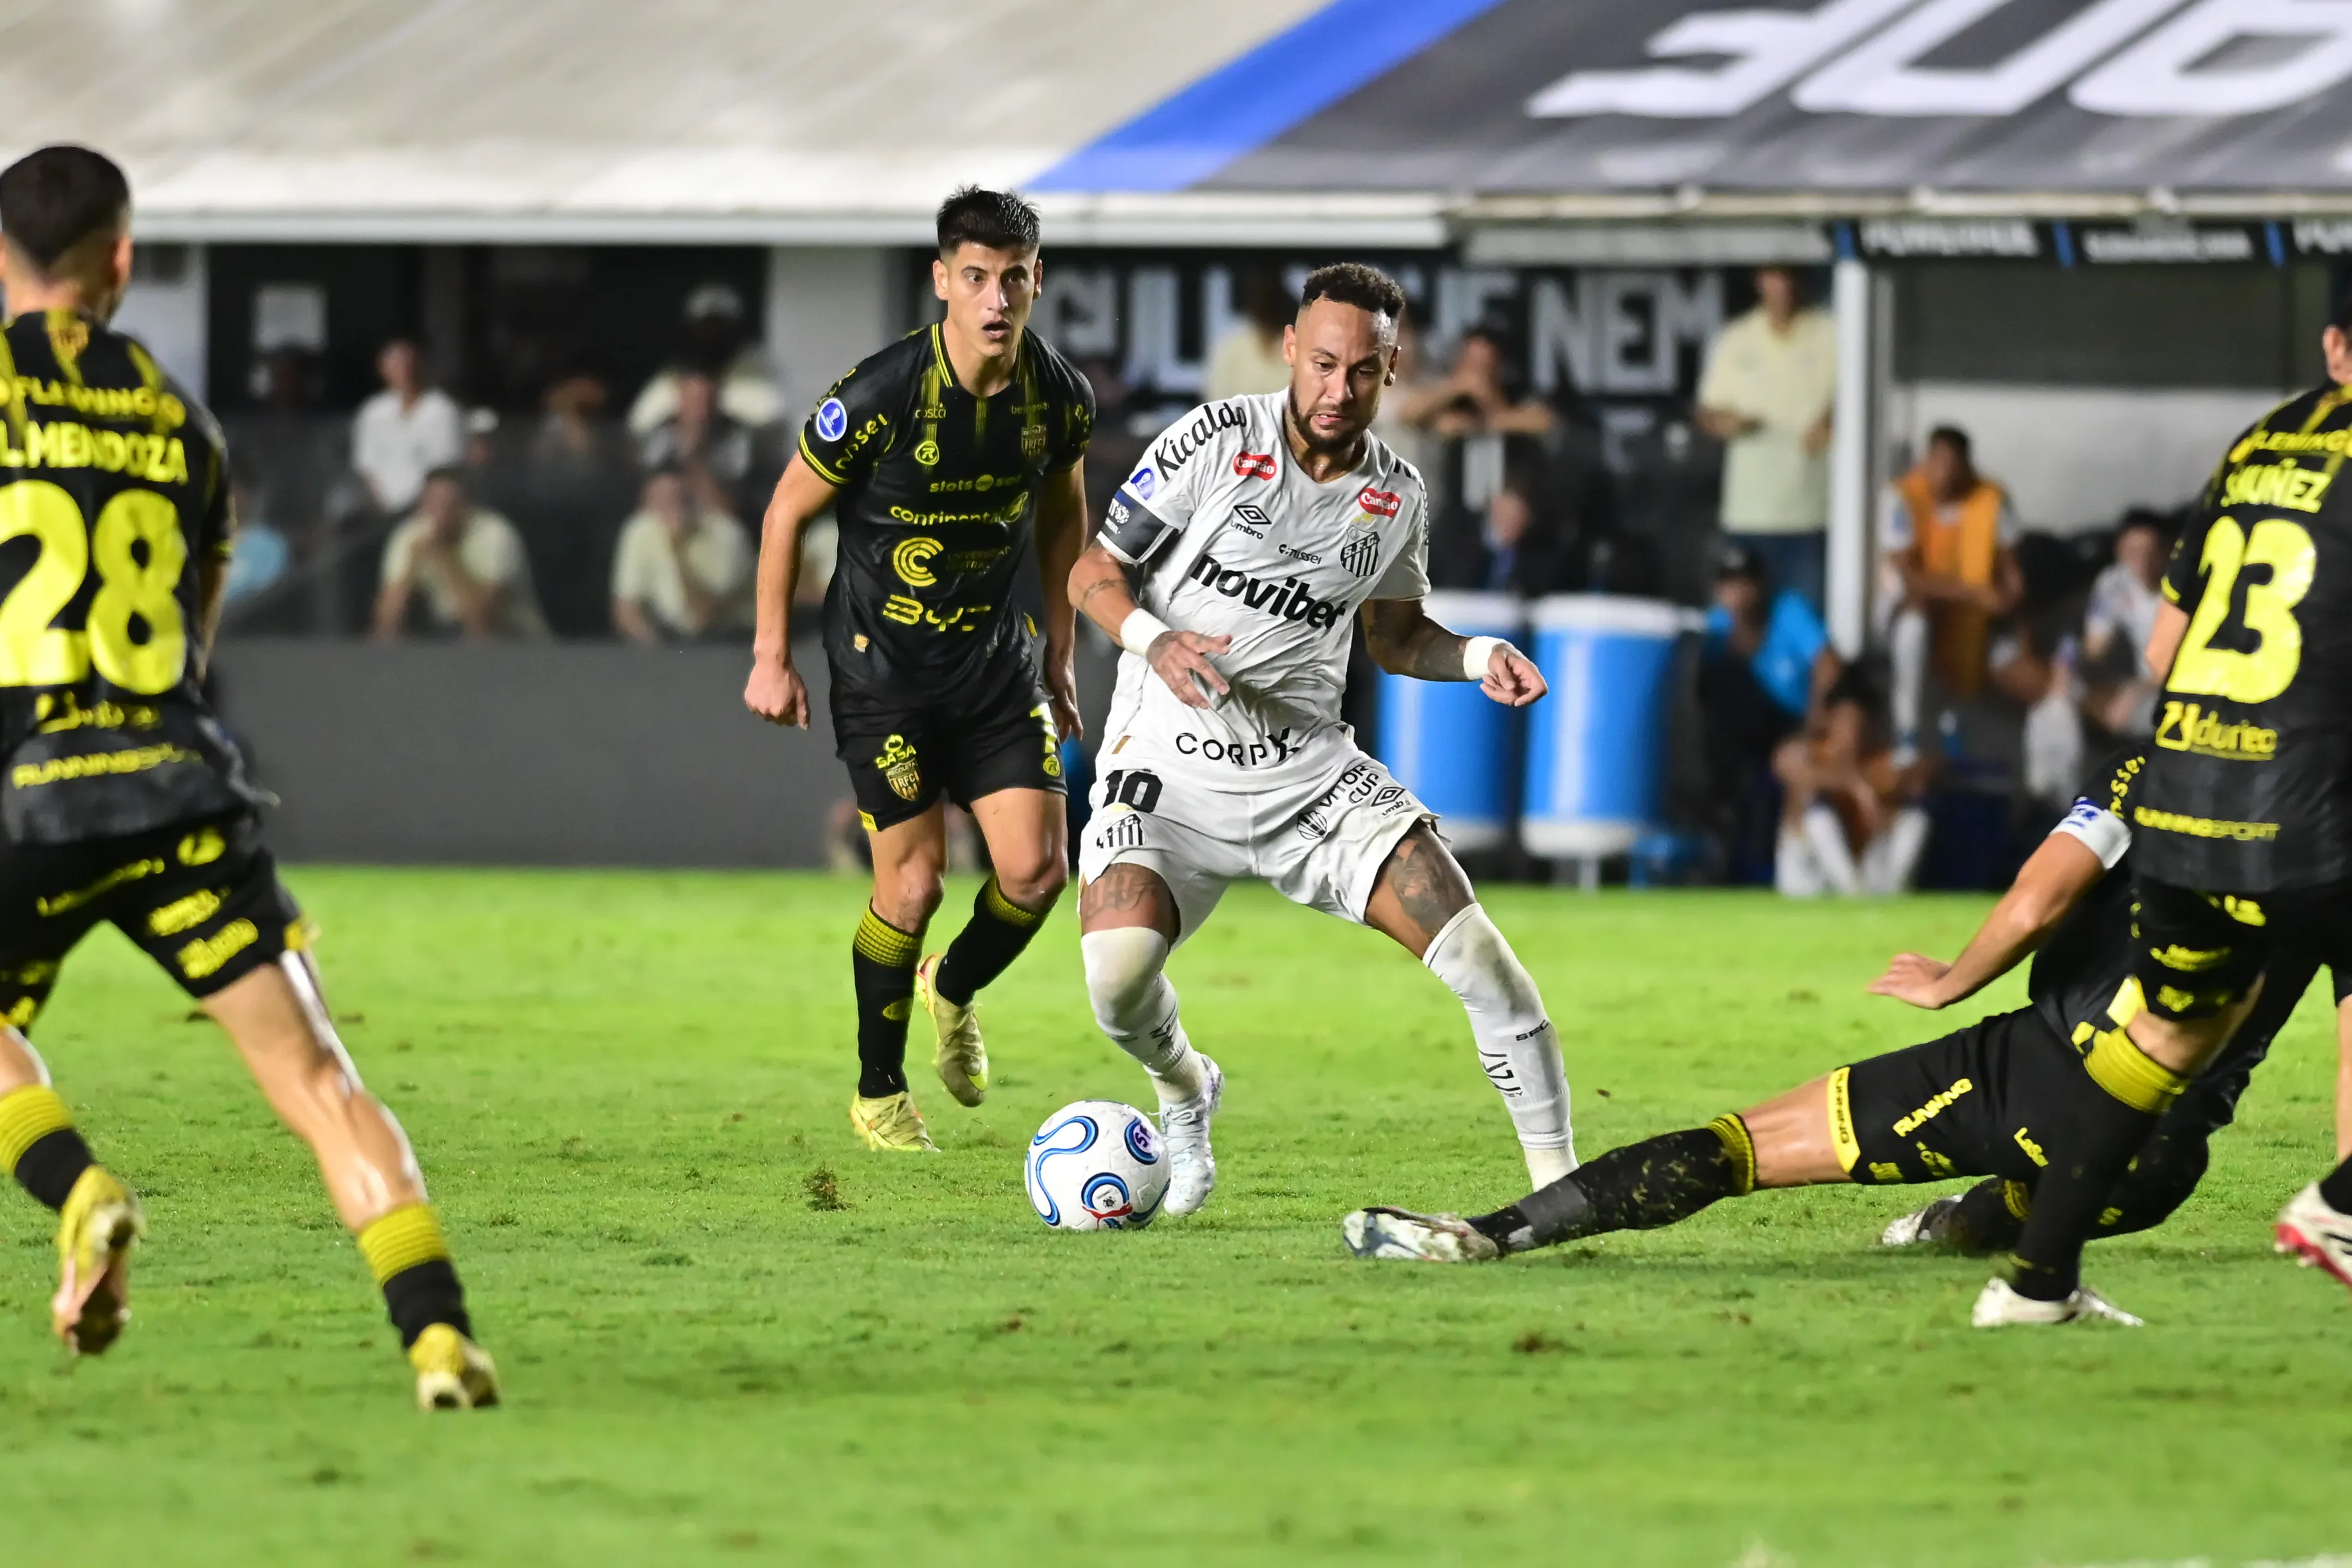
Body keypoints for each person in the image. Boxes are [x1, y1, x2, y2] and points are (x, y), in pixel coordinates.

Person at [0, 144, 495, 1405]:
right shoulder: (186, 428)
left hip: (25, 788)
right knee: (320, 1078)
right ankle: (439, 1336)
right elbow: (191, 642)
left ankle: (83, 1190)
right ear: (122, 259)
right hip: (177, 786)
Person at [1342, 751, 2341, 1316]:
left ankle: (1487, 1234)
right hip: (2156, 1159)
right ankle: (1961, 1227)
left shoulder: (2164, 764)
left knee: (1741, 1147)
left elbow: (2043, 897)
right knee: (2029, 1195)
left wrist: (1954, 977)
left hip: (2034, 1072)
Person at [1064, 263, 1570, 1218]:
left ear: (1391, 371)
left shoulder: (1395, 497)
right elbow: (1092, 572)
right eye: (1323, 363)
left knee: (1483, 961)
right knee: (1115, 981)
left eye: (1363, 371)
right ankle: (1183, 1085)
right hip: (1165, 768)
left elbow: (1395, 638)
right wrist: (1156, 640)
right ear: (1290, 350)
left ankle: (1561, 1195)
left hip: (1308, 778)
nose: (1337, 391)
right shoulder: (1214, 440)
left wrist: (1476, 657)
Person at [1995, 300, 2352, 1327]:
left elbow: (2160, 653)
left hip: (2184, 798)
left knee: (2161, 1034)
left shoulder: (2257, 444)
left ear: (2330, 347)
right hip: (2309, 800)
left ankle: (2035, 1281)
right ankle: (2337, 1204)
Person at [742, 189, 1095, 1153]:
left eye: (1013, 279)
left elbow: (1065, 518)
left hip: (995, 668)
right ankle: (878, 1092)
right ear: (942, 281)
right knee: (911, 888)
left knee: (1035, 871)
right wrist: (770, 656)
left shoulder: (1057, 396)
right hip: (881, 672)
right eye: (975, 278)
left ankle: (953, 985)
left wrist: (1060, 653)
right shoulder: (879, 393)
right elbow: (785, 513)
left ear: (1035, 283)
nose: (995, 299)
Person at [1695, 267, 1836, 612]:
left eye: (1789, 276)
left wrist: (1834, 421)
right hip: (1747, 515)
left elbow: (1861, 397)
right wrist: (1727, 423)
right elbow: (1707, 412)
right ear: (1760, 281)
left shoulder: (1830, 333)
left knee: (1804, 624)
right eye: (1774, 277)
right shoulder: (1737, 338)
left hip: (1810, 516)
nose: (1782, 286)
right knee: (1737, 627)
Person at [1881, 426, 2024, 758]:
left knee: (2002, 647)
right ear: (1926, 460)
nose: (1944, 471)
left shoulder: (1990, 498)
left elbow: (2012, 570)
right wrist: (1973, 594)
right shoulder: (1902, 496)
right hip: (1912, 602)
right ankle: (1908, 734)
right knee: (1914, 626)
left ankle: (1955, 727)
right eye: (1938, 461)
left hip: (1972, 606)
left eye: (1952, 463)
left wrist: (2008, 597)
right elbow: (1908, 575)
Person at [1772, 666, 1931, 898]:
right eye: (1846, 722)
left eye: (1859, 724)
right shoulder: (1808, 753)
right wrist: (1855, 787)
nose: (1852, 734)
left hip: (1865, 872)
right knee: (1818, 813)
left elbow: (1926, 773)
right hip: (1808, 880)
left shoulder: (1877, 763)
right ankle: (1852, 894)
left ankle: (1886, 897)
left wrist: (1883, 792)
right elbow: (1785, 764)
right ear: (1831, 721)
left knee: (1914, 818)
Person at [372, 467, 548, 641]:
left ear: (466, 506)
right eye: (431, 504)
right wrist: (409, 569)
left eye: (448, 504)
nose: (438, 514)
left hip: (515, 643)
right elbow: (386, 625)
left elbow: (483, 624)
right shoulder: (410, 536)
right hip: (444, 639)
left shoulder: (496, 535)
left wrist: (443, 556)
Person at [611, 465, 752, 643]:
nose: (672, 510)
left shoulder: (728, 536)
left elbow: (703, 618)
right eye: (661, 502)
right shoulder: (639, 531)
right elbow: (626, 609)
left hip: (727, 640)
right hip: (668, 639)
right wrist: (656, 650)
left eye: (680, 500)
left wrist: (677, 550)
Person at [626, 283, 784, 438]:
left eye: (719, 325)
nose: (712, 333)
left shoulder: (754, 367)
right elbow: (639, 424)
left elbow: (772, 418)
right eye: (705, 325)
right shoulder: (674, 372)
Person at [2078, 507, 2169, 737]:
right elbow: (2094, 648)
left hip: (2182, 690)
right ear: (2120, 551)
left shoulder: (2185, 587)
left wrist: (2132, 692)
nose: (2143, 563)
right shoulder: (2114, 582)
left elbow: (2177, 670)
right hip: (2141, 684)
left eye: (2151, 552)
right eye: (2133, 553)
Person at [351, 337, 463, 517]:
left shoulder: (443, 410)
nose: (404, 371)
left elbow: (445, 471)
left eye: (408, 364)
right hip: (380, 513)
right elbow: (367, 469)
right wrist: (383, 509)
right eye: (395, 365)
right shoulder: (372, 412)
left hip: (430, 514)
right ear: (383, 370)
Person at [1203, 264, 1295, 402]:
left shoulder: (1302, 344)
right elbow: (1215, 403)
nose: (1265, 302)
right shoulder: (1232, 346)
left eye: (1270, 295)